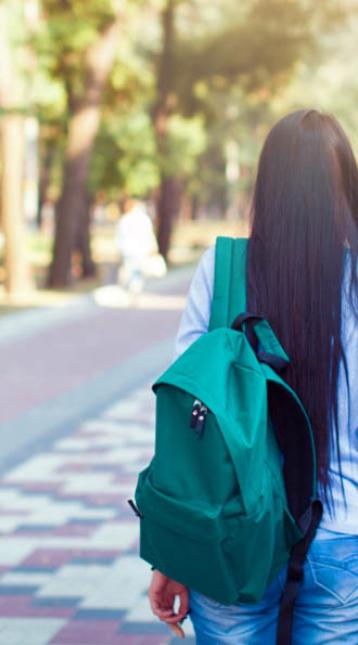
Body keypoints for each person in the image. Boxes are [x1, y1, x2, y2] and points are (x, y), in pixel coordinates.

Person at [148, 110, 358, 643]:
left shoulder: (222, 272)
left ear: (268, 186)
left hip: (230, 537)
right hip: (345, 541)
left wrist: (174, 555)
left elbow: (188, 432)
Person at [116, 198, 158, 294]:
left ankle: (132, 287)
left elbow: (120, 237)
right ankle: (134, 287)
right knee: (136, 271)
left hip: (129, 250)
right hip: (140, 250)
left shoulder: (124, 220)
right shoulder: (144, 219)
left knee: (132, 269)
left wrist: (120, 249)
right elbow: (149, 235)